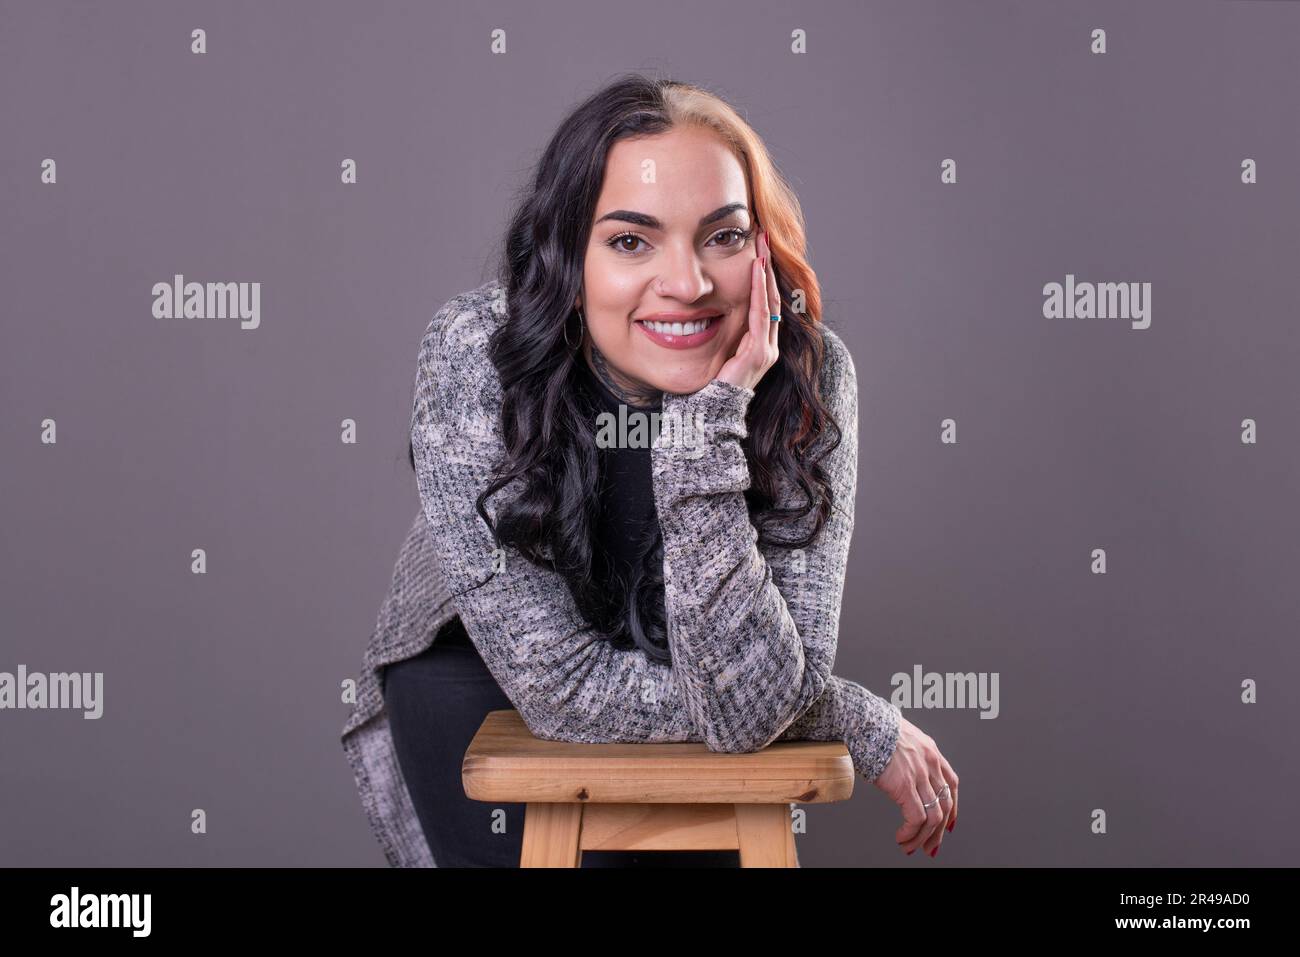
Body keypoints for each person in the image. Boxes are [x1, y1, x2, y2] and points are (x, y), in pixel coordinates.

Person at [347, 72, 959, 868]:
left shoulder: (810, 379)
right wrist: (841, 711)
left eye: (724, 236)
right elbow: (560, 686)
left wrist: (709, 421)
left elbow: (755, 695)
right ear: (571, 261)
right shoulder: (476, 353)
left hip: (701, 672)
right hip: (484, 677)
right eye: (631, 240)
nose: (689, 283)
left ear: (762, 246)